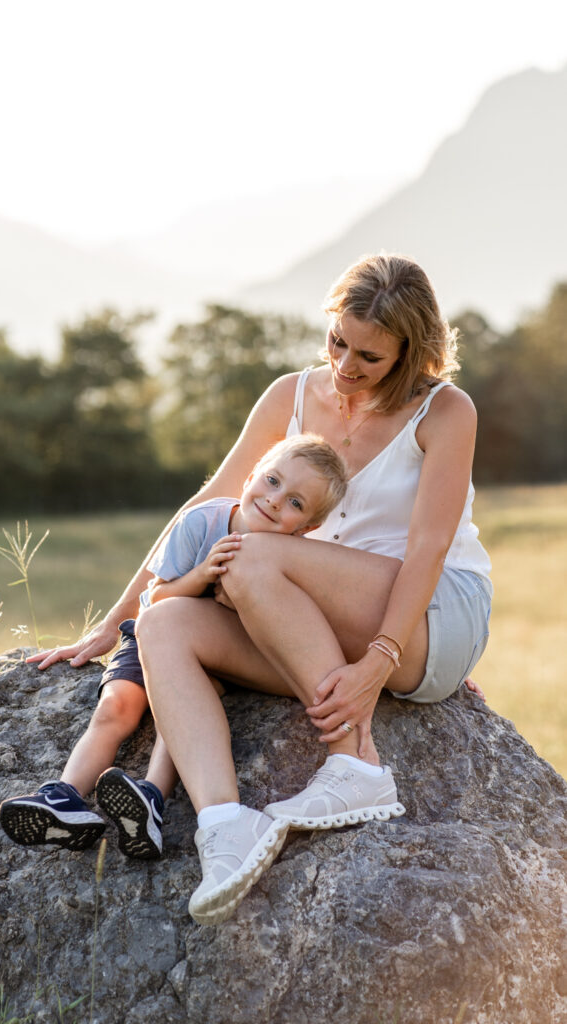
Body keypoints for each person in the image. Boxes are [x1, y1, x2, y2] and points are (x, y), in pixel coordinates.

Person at [28, 253, 492, 926]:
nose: (345, 366)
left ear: (411, 352)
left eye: (369, 356)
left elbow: (427, 547)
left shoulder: (445, 410)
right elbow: (208, 502)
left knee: (248, 558)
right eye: (337, 342)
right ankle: (223, 825)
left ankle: (353, 760)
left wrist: (379, 661)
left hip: (429, 614)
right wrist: (116, 619)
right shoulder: (291, 394)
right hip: (310, 618)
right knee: (164, 625)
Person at [0, 434, 348, 859]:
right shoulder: (201, 523)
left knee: (177, 713)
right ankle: (64, 797)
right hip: (155, 628)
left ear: (308, 527)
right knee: (116, 707)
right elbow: (156, 598)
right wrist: (201, 576)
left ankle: (149, 799)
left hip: (213, 657)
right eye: (273, 481)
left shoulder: (291, 558)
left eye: (296, 503)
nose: (275, 501)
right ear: (252, 474)